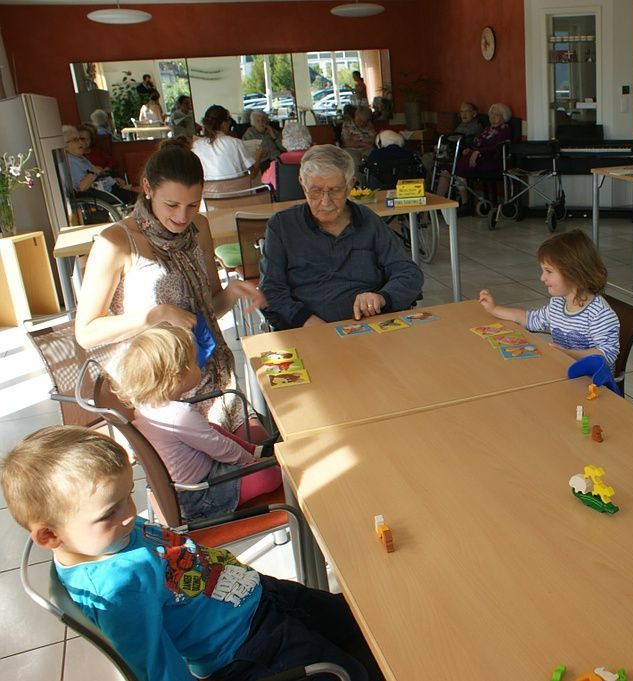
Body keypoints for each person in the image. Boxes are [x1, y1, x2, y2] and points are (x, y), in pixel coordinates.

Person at [0, 425, 381, 681]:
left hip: (256, 597)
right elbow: (155, 668)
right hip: (248, 648)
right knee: (354, 671)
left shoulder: (101, 538)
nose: (131, 515)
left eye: (126, 498)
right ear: (49, 535)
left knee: (366, 623)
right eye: (109, 512)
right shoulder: (117, 591)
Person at [74, 137, 264, 436]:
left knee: (261, 448)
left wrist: (231, 292)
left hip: (213, 375)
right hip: (163, 393)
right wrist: (155, 314)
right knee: (226, 468)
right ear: (148, 188)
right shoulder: (117, 241)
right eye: (172, 204)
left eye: (192, 204)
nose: (181, 217)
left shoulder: (198, 227)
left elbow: (207, 310)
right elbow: (86, 332)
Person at [115, 325, 281, 522]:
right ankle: (256, 456)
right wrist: (249, 463)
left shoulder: (143, 407)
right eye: (195, 362)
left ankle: (258, 450)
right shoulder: (180, 416)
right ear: (178, 376)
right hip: (201, 494)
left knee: (212, 428)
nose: (200, 366)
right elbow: (221, 449)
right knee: (271, 476)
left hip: (185, 489)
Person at [259, 144, 424, 329]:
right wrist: (305, 320)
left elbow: (409, 273)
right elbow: (271, 289)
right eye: (315, 190)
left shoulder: (368, 221)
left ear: (350, 186)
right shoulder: (282, 226)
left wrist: (382, 297)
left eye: (335, 190)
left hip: (370, 327)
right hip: (308, 330)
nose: (325, 201)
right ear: (302, 185)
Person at [478, 229, 620, 369]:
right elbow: (529, 319)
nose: (542, 278)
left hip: (593, 384)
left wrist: (568, 354)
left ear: (575, 273)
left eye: (549, 271)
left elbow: (607, 355)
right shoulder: (558, 303)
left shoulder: (599, 313)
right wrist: (494, 309)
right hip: (565, 372)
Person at [63, 125, 135, 204]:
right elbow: (81, 188)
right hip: (104, 196)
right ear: (65, 145)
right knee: (141, 198)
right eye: (75, 140)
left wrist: (112, 180)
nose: (81, 142)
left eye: (81, 139)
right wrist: (94, 172)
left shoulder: (79, 158)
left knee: (140, 195)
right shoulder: (70, 162)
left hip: (110, 190)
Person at [191, 105, 258, 181]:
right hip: (239, 191)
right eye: (229, 121)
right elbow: (252, 175)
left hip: (209, 192)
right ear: (223, 124)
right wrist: (259, 156)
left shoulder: (196, 146)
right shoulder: (235, 143)